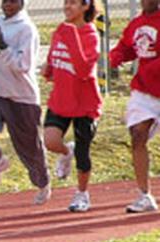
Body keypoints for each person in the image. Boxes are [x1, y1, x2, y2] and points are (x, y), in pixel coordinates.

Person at [0, 0, 52, 204]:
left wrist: (4, 48)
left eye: (13, 1)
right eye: (5, 1)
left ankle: (42, 182)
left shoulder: (27, 30)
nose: (8, 5)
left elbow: (23, 65)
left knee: (29, 148)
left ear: (22, 3)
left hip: (21, 96)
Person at [42, 0, 103, 212]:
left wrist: (70, 36)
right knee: (50, 141)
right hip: (61, 98)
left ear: (86, 6)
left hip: (85, 103)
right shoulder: (61, 30)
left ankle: (82, 194)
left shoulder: (90, 34)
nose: (67, 7)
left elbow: (84, 69)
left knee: (83, 153)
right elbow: (54, 58)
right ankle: (66, 151)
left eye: (73, 3)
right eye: (66, 3)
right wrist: (49, 68)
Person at [109, 0, 160, 213]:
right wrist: (116, 56)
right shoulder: (137, 23)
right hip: (144, 91)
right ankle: (145, 195)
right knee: (138, 135)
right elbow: (126, 47)